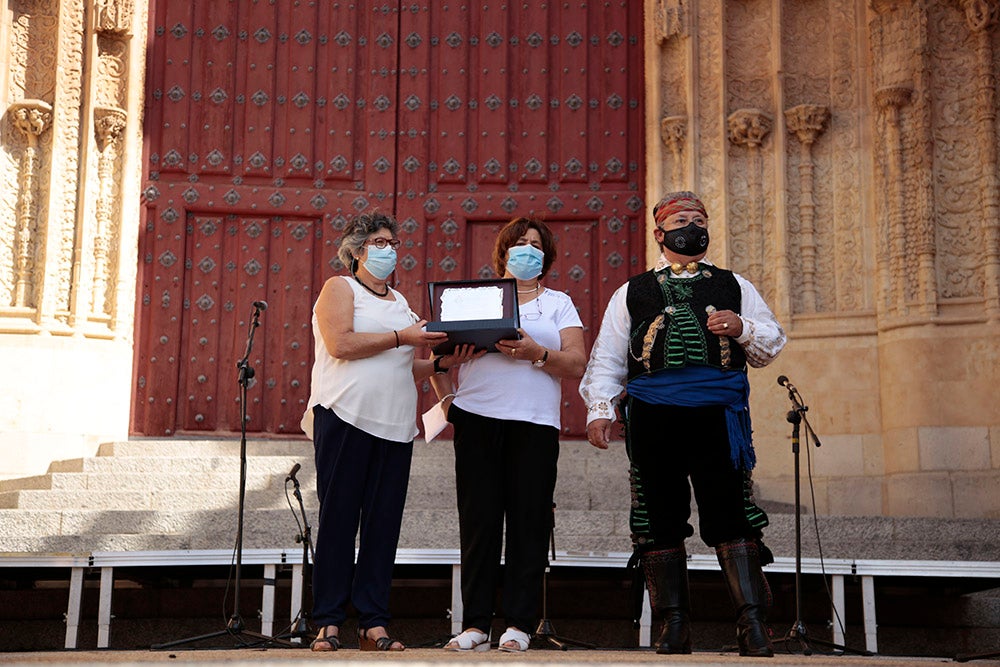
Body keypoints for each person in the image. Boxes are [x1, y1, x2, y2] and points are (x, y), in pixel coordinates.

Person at [579, 191, 786, 657]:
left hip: (718, 415)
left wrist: (743, 328)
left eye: (698, 219)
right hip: (653, 416)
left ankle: (752, 625)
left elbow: (771, 342)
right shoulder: (632, 291)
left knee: (731, 511)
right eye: (680, 220)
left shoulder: (735, 286)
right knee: (657, 516)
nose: (690, 226)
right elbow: (609, 356)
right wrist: (600, 410)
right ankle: (674, 625)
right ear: (659, 233)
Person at [300, 212, 474, 652]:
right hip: (345, 416)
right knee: (339, 520)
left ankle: (373, 622)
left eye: (393, 243)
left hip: (394, 426)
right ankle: (328, 621)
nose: (389, 250)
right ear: (356, 251)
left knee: (383, 527)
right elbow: (341, 343)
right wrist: (403, 336)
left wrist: (439, 367)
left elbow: (403, 363)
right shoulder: (339, 289)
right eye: (378, 242)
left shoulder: (401, 302)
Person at [430, 217, 587, 652]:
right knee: (479, 522)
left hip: (535, 423)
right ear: (503, 252)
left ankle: (519, 624)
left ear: (547, 256)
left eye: (536, 245)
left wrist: (538, 353)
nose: (527, 250)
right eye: (519, 243)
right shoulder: (474, 298)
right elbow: (436, 356)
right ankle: (475, 625)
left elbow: (575, 362)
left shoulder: (559, 303)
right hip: (478, 418)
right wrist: (447, 402)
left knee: (528, 523)